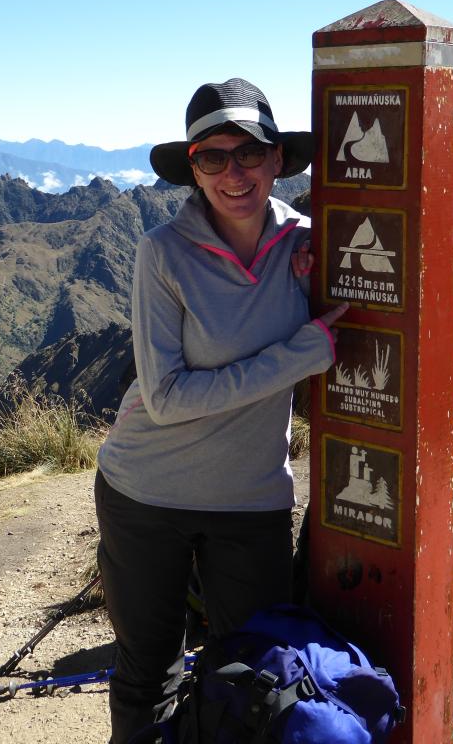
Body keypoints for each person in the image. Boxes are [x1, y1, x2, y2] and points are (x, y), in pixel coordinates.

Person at [94, 77, 347, 743]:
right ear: (194, 169)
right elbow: (166, 399)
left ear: (277, 159)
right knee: (149, 676)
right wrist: (298, 355)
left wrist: (313, 290)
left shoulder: (309, 245)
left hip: (250, 500)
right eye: (213, 157)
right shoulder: (162, 253)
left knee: (254, 675)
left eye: (249, 153)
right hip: (144, 491)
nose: (234, 173)